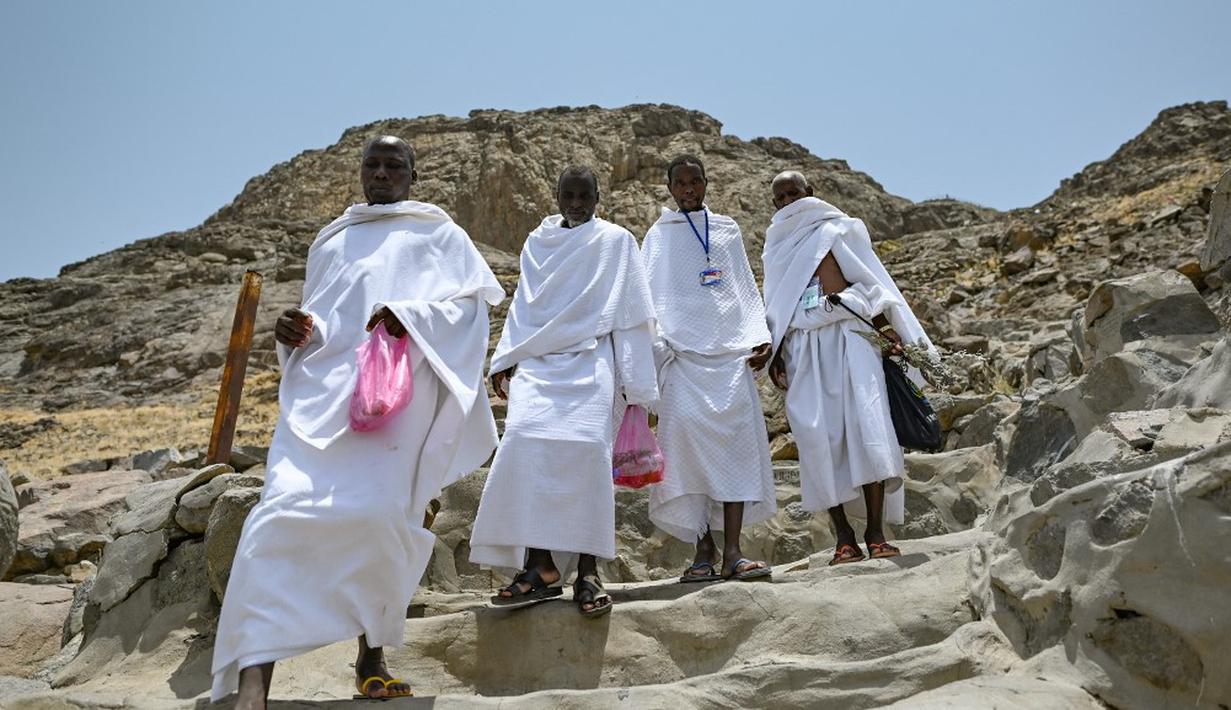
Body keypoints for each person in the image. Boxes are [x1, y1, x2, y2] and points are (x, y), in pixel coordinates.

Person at [210, 136, 504, 707]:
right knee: (274, 523)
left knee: (379, 520)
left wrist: (409, 317)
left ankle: (370, 658)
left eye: (395, 165)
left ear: (413, 175)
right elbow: (326, 320)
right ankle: (252, 686)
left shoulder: (440, 234)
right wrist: (295, 332)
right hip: (322, 404)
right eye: (373, 164)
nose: (382, 173)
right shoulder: (332, 241)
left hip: (398, 408)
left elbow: (469, 314)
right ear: (360, 172)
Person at [469, 166, 659, 618]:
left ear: (598, 197)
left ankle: (588, 572)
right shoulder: (539, 242)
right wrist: (506, 357)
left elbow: (633, 314)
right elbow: (526, 305)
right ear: (556, 196)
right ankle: (539, 567)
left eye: (584, 196)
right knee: (522, 444)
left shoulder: (616, 241)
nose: (576, 203)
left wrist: (638, 387)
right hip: (537, 364)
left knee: (587, 452)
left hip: (593, 362)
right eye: (568, 195)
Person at [762, 171, 935, 565]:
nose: (790, 199)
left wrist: (888, 332)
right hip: (803, 347)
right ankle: (843, 537)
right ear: (774, 203)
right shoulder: (775, 246)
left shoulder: (840, 230)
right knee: (816, 436)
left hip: (852, 338)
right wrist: (777, 352)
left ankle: (875, 533)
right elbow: (776, 306)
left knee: (866, 427)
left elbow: (870, 280)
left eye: (795, 192)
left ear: (811, 192)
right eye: (781, 195)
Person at [642, 154, 776, 583]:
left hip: (731, 359)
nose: (687, 189)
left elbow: (744, 285)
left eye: (694, 181)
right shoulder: (659, 235)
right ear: (669, 188)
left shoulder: (727, 229)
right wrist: (655, 352)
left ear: (705, 183)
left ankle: (734, 553)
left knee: (735, 453)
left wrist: (760, 336)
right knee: (688, 458)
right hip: (682, 361)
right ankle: (703, 552)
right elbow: (646, 295)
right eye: (679, 183)